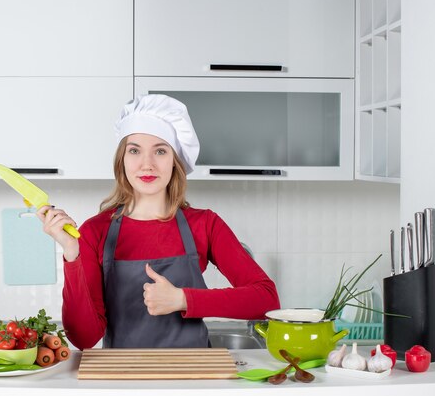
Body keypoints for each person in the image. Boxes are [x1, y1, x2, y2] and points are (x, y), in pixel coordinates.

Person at [37, 94, 280, 349]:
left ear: (175, 162)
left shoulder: (205, 224)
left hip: (194, 378)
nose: (147, 164)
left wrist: (183, 299)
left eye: (160, 151)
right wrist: (72, 254)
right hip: (124, 378)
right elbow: (83, 338)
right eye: (134, 150)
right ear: (122, 160)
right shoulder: (94, 231)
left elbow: (266, 299)